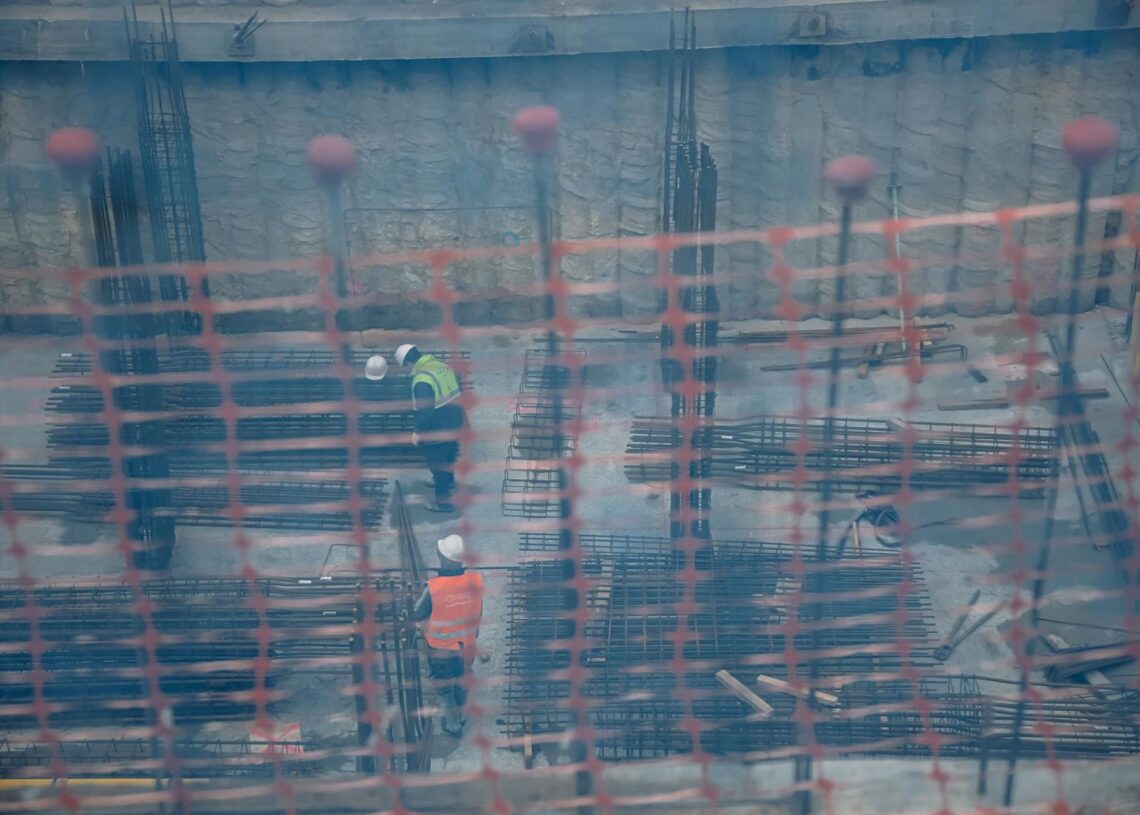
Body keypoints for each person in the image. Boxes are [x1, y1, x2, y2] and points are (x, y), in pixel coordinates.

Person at [412, 534, 484, 737]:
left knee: (444, 687)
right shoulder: (475, 581)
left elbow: (416, 614)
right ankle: (460, 715)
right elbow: (477, 612)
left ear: (442, 557)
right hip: (467, 645)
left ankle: (453, 724)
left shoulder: (434, 588)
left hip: (441, 649)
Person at [394, 343, 466, 513]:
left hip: (437, 426)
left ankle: (443, 503)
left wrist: (418, 432)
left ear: (408, 364)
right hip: (455, 419)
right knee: (449, 455)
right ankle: (449, 481)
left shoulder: (421, 380)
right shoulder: (441, 365)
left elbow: (424, 409)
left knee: (437, 464)